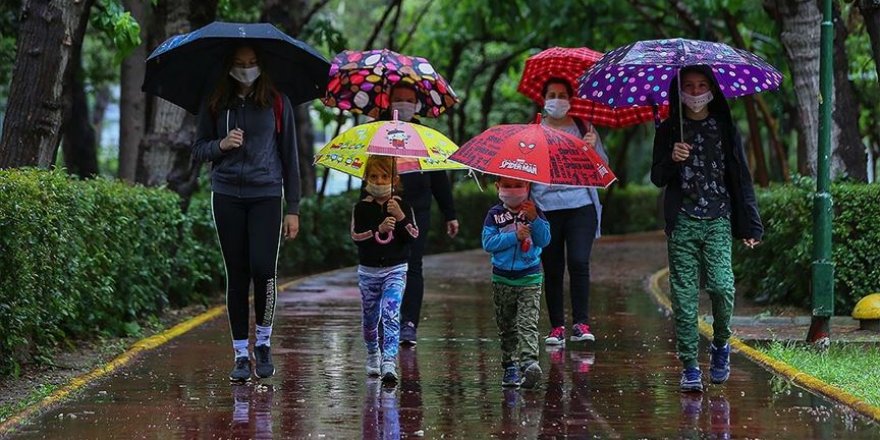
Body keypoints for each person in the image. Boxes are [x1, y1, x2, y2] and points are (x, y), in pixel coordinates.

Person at [192, 44, 300, 382]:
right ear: (229, 65)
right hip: (226, 195)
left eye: (252, 62)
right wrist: (221, 145)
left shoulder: (277, 102)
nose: (246, 68)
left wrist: (293, 208)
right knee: (237, 274)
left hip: (266, 194)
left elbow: (290, 156)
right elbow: (198, 149)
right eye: (240, 63)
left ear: (261, 65)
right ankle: (240, 353)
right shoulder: (215, 101)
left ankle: (263, 343)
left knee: (264, 270)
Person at [651, 65, 763, 392]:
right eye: (689, 86)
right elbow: (657, 177)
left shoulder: (725, 127)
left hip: (718, 219)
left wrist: (751, 224)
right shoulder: (669, 129)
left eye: (702, 85)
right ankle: (689, 366)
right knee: (684, 297)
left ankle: (721, 343)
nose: (696, 92)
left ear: (712, 89)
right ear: (679, 91)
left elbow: (740, 176)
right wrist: (672, 158)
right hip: (683, 222)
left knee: (722, 287)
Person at [378, 83, 460, 346]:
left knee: (412, 265)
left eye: (408, 100)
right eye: (398, 98)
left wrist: (449, 213)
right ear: (389, 101)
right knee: (384, 266)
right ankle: (384, 320)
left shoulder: (425, 136)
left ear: (417, 105)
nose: (403, 103)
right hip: (383, 208)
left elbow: (439, 178)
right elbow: (367, 175)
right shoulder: (377, 132)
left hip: (417, 211)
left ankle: (409, 323)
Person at [531, 77, 608, 346]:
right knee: (552, 268)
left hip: (580, 206)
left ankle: (581, 323)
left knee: (578, 261)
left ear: (571, 99)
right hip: (545, 208)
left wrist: (593, 147)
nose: (557, 100)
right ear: (543, 99)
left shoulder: (584, 127)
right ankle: (556, 327)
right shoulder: (534, 130)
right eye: (552, 94)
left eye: (562, 95)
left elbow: (603, 169)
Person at [351, 156, 419, 384]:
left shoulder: (403, 206)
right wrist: (377, 230)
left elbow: (413, 236)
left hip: (395, 270)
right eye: (373, 176)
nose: (379, 181)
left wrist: (400, 217)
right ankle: (373, 352)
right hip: (369, 272)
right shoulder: (361, 208)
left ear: (394, 180)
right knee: (370, 318)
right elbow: (356, 237)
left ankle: (389, 360)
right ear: (366, 179)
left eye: (384, 176)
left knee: (391, 313)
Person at [482, 176, 551, 389]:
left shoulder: (535, 212)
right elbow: (488, 243)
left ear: (527, 186)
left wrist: (535, 220)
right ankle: (510, 366)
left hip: (529, 278)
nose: (513, 190)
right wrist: (515, 236)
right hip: (502, 279)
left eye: (518, 185)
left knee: (527, 323)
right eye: (507, 186)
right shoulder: (494, 215)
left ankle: (529, 363)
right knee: (507, 326)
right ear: (498, 187)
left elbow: (545, 240)